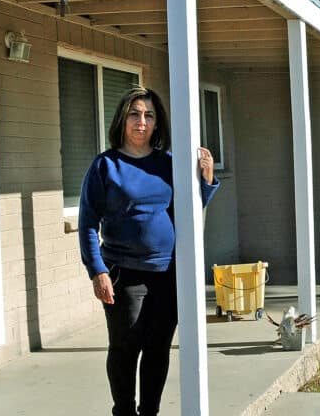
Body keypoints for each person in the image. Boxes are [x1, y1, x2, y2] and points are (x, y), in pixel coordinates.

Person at [78, 86, 219, 416]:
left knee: (158, 348)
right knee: (127, 347)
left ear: (158, 124)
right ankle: (124, 411)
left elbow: (192, 209)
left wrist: (206, 178)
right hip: (124, 273)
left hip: (168, 273)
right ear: (122, 120)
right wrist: (97, 271)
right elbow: (86, 223)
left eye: (149, 115)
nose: (142, 121)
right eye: (135, 114)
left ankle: (149, 413)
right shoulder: (105, 166)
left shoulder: (169, 164)